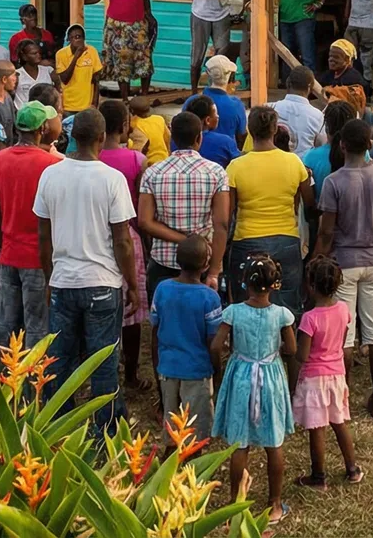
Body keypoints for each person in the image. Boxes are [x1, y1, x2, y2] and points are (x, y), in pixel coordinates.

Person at [35, 108, 140, 432]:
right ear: (102, 137)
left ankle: (59, 425)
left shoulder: (50, 175)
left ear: (72, 137)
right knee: (103, 361)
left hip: (64, 281)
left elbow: (44, 236)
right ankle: (105, 430)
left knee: (60, 359)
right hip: (103, 283)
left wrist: (49, 277)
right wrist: (132, 283)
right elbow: (122, 240)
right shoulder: (112, 179)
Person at [314, 117, 373, 417]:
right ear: (370, 146)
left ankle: (344, 397)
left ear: (342, 145)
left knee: (345, 335)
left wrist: (318, 258)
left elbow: (326, 231)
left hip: (344, 263)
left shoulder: (334, 181)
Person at [211, 251, 296, 528]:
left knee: (240, 443)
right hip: (270, 377)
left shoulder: (233, 312)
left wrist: (220, 369)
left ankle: (234, 504)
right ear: (275, 284)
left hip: (241, 375)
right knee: (274, 442)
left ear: (245, 281)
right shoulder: (282, 315)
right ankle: (274, 504)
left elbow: (216, 345)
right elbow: (292, 349)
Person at [222, 105, 313, 316]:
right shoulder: (294, 162)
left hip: (247, 241)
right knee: (287, 307)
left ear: (249, 130)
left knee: (246, 305)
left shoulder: (235, 166)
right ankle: (287, 338)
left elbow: (229, 211)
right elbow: (308, 202)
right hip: (287, 240)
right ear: (275, 129)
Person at [0, 101, 62, 350]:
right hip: (38, 257)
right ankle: (33, 375)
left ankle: (0, 371)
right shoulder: (51, 165)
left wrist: (4, 241)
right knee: (37, 325)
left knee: (6, 323)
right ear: (42, 129)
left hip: (9, 252)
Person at [139, 111, 231, 300]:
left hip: (163, 261)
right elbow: (221, 224)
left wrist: (183, 239)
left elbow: (145, 222)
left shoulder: (153, 172)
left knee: (163, 315)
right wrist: (214, 272)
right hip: (202, 261)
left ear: (172, 137)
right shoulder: (216, 173)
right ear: (199, 138)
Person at [98, 99, 153, 392]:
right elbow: (141, 205)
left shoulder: (89, 158)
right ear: (124, 125)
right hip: (129, 235)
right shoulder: (136, 160)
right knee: (133, 311)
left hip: (96, 237)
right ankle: (130, 375)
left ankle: (101, 372)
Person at [294, 255, 362, 487]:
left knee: (317, 428)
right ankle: (352, 469)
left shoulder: (309, 319)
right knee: (339, 422)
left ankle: (318, 476)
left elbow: (303, 355)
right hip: (337, 375)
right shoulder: (343, 310)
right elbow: (341, 341)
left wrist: (290, 349)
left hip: (315, 380)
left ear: (311, 286)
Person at [148, 234, 222, 449]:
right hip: (197, 372)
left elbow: (155, 330)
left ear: (176, 260)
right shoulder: (210, 297)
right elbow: (213, 343)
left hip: (168, 368)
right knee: (195, 432)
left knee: (171, 425)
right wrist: (217, 373)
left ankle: (170, 461)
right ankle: (192, 463)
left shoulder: (162, 289)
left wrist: (157, 364)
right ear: (206, 264)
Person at [85, 0, 157, 95]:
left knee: (144, 59)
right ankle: (125, 98)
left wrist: (149, 15)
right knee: (122, 61)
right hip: (118, 27)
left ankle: (144, 95)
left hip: (138, 24)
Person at [298, 100, 357, 255]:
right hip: (354, 228)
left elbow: (308, 200)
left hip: (320, 231)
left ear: (326, 127)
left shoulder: (310, 157)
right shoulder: (361, 156)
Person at [200, 54, 248, 147]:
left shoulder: (192, 102)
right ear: (229, 76)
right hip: (228, 152)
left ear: (208, 74)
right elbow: (242, 136)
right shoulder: (236, 104)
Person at [272, 66, 325, 150]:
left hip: (273, 158)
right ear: (310, 87)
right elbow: (321, 145)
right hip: (303, 159)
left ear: (288, 83)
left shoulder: (269, 109)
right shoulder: (318, 116)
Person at [54, 23, 102, 114]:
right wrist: (76, 56)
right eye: (74, 37)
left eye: (79, 37)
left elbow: (96, 80)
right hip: (68, 106)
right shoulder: (61, 54)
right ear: (69, 39)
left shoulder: (92, 51)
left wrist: (94, 104)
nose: (77, 40)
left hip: (87, 106)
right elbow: (65, 79)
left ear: (84, 39)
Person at [183, 94, 241, 168]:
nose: (218, 116)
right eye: (216, 114)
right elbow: (238, 164)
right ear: (207, 120)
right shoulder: (225, 142)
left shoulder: (176, 141)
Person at [317, 40, 369, 114]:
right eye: (330, 56)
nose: (331, 59)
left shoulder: (353, 78)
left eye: (336, 57)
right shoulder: (329, 74)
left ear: (347, 60)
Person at [128, 96, 170, 165]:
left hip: (146, 163)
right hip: (163, 159)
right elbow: (168, 138)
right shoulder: (159, 119)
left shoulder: (132, 123)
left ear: (131, 111)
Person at [13, 37, 52, 104]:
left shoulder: (49, 71)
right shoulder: (17, 74)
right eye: (34, 53)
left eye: (39, 52)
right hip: (23, 110)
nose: (38, 55)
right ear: (24, 57)